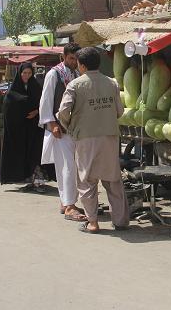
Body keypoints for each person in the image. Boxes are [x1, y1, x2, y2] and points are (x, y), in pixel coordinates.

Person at [58, 47, 129, 233]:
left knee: (87, 180)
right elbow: (119, 111)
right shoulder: (112, 83)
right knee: (113, 180)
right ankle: (120, 221)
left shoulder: (74, 85)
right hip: (110, 136)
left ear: (81, 66)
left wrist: (70, 126)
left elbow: (63, 112)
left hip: (85, 137)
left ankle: (93, 222)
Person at [39, 42, 87, 221]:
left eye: (77, 59)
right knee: (66, 167)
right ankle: (69, 206)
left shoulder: (77, 73)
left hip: (74, 128)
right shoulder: (54, 74)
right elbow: (46, 101)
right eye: (71, 58)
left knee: (72, 167)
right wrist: (51, 124)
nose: (74, 62)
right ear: (64, 57)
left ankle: (65, 201)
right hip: (60, 128)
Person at [0, 62, 45, 187]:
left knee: (34, 152)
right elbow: (9, 107)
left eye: (29, 73)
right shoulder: (13, 90)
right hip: (18, 128)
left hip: (34, 127)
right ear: (20, 73)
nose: (27, 75)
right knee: (19, 152)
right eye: (24, 73)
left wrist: (36, 112)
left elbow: (43, 103)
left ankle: (35, 177)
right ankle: (21, 177)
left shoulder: (36, 87)